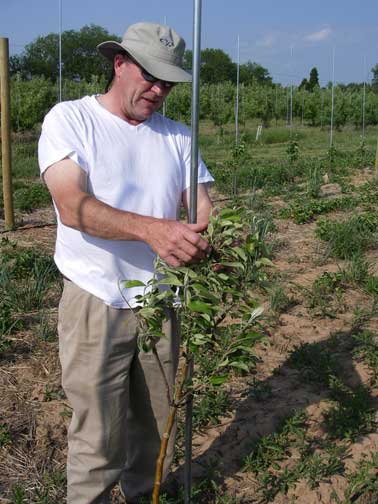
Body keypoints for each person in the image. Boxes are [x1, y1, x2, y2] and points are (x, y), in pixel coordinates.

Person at [38, 22, 214, 504]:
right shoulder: (71, 120)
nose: (159, 90)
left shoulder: (178, 137)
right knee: (98, 440)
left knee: (156, 432)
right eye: (150, 76)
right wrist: (154, 229)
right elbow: (72, 206)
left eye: (169, 83)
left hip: (163, 304)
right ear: (119, 64)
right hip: (98, 301)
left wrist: (210, 241)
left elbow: (204, 209)